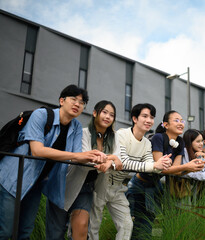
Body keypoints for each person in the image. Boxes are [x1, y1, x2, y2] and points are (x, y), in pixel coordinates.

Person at [0, 85, 106, 239]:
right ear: (61, 101)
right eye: (73, 99)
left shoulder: (75, 126)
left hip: (36, 183)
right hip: (12, 178)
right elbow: (37, 150)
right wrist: (78, 156)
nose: (78, 104)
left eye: (82, 102)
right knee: (5, 231)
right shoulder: (41, 115)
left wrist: (94, 157)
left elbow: (76, 156)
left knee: (24, 231)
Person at [89, 103, 171, 240]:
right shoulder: (121, 134)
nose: (148, 120)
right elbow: (124, 162)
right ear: (134, 119)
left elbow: (151, 165)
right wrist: (154, 165)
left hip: (118, 188)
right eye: (144, 116)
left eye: (151, 117)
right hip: (102, 183)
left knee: (126, 225)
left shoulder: (147, 143)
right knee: (94, 225)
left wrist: (163, 163)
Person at [45, 100, 123, 240]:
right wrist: (111, 159)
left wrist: (111, 161)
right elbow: (85, 158)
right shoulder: (83, 132)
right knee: (56, 233)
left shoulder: (114, 136)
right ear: (94, 113)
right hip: (64, 183)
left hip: (86, 187)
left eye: (111, 115)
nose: (107, 117)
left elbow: (120, 159)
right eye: (104, 112)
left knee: (81, 227)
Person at [126, 110, 204, 240]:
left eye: (182, 121)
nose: (180, 123)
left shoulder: (180, 142)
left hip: (154, 187)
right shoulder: (158, 138)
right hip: (139, 185)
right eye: (176, 120)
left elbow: (176, 170)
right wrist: (187, 167)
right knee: (139, 225)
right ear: (166, 125)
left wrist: (192, 168)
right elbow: (160, 168)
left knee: (148, 223)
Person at [182, 129, 205, 201]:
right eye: (198, 141)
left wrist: (202, 159)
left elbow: (203, 173)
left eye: (202, 141)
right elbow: (189, 174)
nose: (201, 144)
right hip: (181, 190)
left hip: (192, 190)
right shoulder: (185, 151)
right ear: (189, 142)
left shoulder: (197, 154)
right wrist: (203, 175)